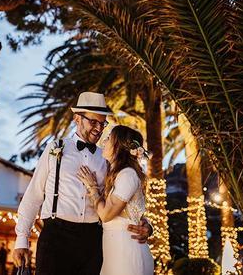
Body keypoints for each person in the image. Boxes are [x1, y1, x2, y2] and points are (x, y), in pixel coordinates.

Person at [13, 92, 152, 275]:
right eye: (93, 122)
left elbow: (125, 198)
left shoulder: (108, 158)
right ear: (77, 118)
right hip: (56, 237)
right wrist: (22, 239)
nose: (99, 128)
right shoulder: (56, 148)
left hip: (93, 240)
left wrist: (146, 225)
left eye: (103, 123)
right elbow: (34, 195)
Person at [78, 125, 154, 275]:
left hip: (126, 251)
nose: (104, 141)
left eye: (109, 138)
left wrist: (92, 187)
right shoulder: (117, 173)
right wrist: (148, 225)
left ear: (118, 146)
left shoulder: (128, 175)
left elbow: (106, 215)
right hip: (115, 250)